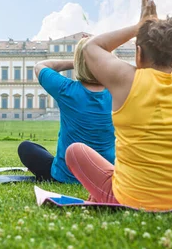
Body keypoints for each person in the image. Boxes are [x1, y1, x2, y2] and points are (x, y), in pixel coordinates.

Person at [65, 0, 172, 211]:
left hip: (132, 201)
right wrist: (164, 32)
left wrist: (142, 25)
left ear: (138, 53)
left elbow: (91, 47)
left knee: (75, 151)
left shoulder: (127, 80)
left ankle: (105, 196)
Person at [18, 37, 115, 182]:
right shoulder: (119, 93)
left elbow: (40, 66)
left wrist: (78, 62)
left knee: (26, 147)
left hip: (65, 175)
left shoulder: (66, 89)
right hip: (104, 177)